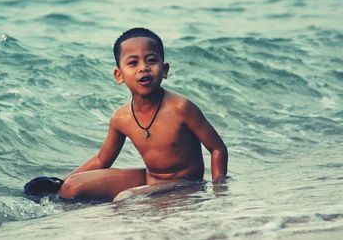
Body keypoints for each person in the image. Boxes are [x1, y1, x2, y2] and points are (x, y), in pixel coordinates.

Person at [58, 27, 228, 201]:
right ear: (119, 75)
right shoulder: (121, 118)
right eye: (133, 63)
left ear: (164, 69)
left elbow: (217, 148)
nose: (143, 68)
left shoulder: (181, 107)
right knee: (70, 187)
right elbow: (102, 160)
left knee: (127, 198)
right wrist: (57, 183)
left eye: (151, 60)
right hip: (150, 177)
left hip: (186, 182)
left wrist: (219, 190)